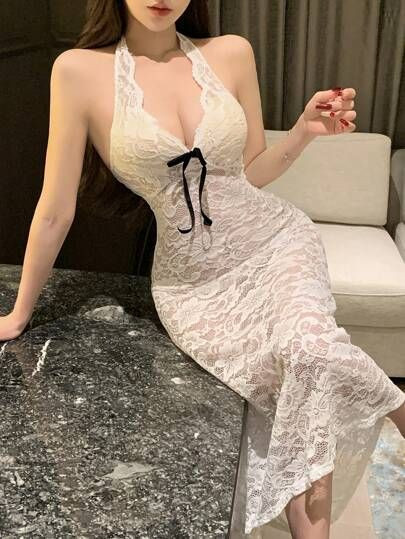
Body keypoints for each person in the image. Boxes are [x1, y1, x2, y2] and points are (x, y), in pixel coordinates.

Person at [1, 1, 404, 537]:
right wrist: (19, 313)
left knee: (310, 352)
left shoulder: (232, 53)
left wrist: (303, 131)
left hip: (274, 242)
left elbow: (250, 173)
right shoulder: (77, 71)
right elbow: (55, 210)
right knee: (297, 382)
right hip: (192, 285)